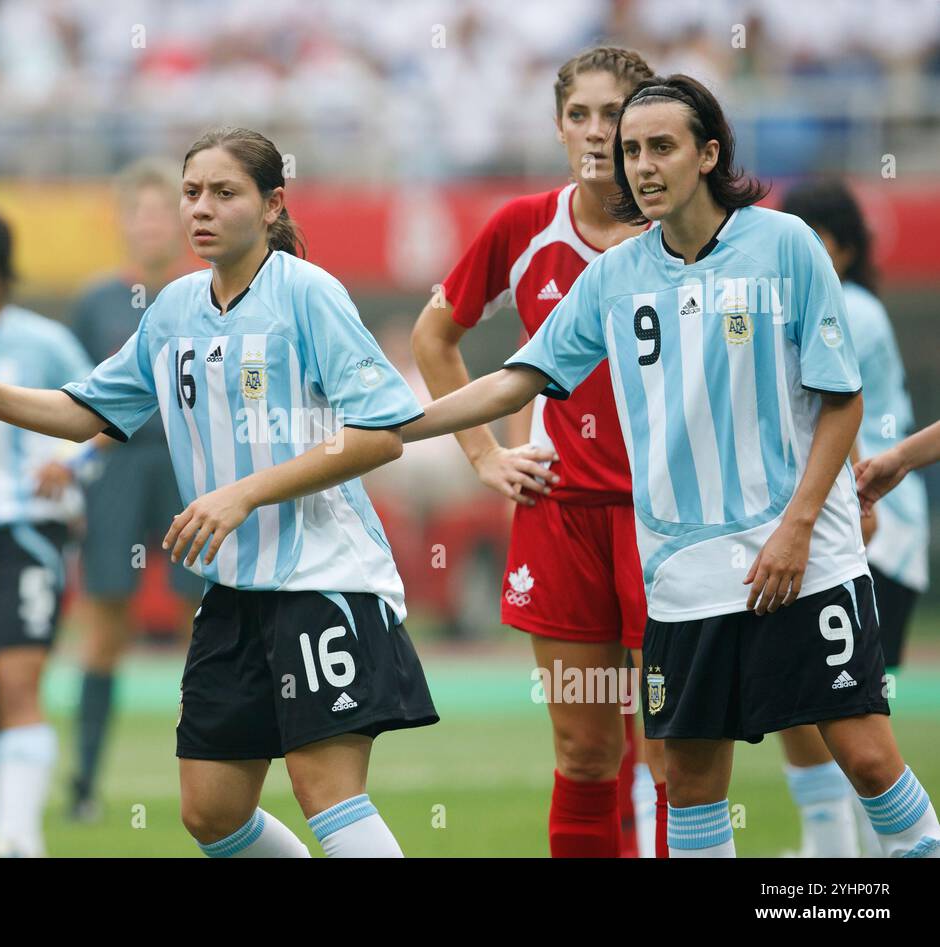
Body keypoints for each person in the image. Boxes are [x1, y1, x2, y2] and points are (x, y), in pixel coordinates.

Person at [400, 74, 939, 858]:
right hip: (683, 573)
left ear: (708, 153)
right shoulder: (616, 275)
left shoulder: (784, 245)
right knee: (686, 780)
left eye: (660, 147)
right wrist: (403, 426)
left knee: (863, 751)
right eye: (630, 152)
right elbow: (518, 380)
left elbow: (841, 402)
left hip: (804, 557)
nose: (641, 165)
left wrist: (795, 530)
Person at [0, 127, 438, 857]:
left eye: (224, 192)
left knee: (327, 792)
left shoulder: (308, 293)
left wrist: (244, 493)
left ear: (273, 204)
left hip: (321, 577)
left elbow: (380, 433)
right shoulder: (176, 307)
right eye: (192, 193)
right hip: (234, 590)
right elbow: (86, 408)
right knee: (210, 810)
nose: (200, 208)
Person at [411, 45, 666, 858]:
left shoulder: (686, 232)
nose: (597, 133)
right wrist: (484, 457)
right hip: (560, 521)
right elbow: (434, 336)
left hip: (672, 522)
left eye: (615, 116)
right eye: (579, 114)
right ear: (559, 126)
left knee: (669, 753)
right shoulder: (521, 227)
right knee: (586, 752)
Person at [775, 178, 930, 856]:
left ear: (834, 247)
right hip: (860, 515)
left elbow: (840, 411)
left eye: (803, 237)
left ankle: (857, 848)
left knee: (852, 713)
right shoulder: (842, 303)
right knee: (825, 704)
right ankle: (838, 847)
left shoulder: (846, 310)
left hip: (871, 527)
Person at [56, 158, 204, 821]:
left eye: (160, 211)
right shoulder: (96, 302)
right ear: (123, 221)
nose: (150, 224)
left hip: (189, 467)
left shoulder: (203, 291)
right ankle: (84, 783)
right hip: (114, 467)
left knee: (208, 621)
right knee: (105, 626)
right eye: (139, 211)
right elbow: (79, 399)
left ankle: (215, 769)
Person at [0, 205, 93, 856]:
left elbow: (108, 412)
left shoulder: (43, 342)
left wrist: (71, 463)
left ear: (5, 274)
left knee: (16, 683)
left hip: (26, 531)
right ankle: (6, 828)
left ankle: (19, 838)